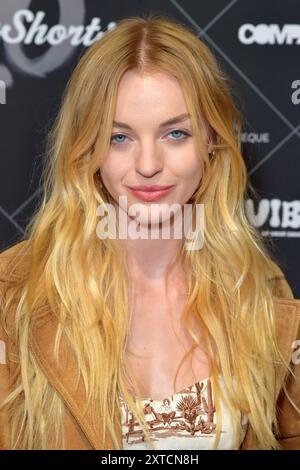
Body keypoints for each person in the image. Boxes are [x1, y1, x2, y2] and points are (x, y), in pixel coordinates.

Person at [0, 13, 299, 451]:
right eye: (119, 137)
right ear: (88, 148)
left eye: (175, 133)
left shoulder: (259, 291)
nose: (147, 165)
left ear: (212, 143)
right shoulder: (16, 291)